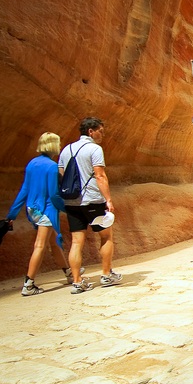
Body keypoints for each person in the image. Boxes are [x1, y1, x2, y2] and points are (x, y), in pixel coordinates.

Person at [58, 117, 122, 293]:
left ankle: (77, 282)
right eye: (100, 131)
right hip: (92, 199)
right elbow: (100, 175)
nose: (102, 134)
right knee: (106, 236)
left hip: (72, 201)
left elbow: (61, 175)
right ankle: (106, 274)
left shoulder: (66, 149)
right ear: (90, 131)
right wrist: (108, 199)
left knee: (76, 242)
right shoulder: (94, 149)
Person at [6, 132, 70, 296]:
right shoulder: (51, 167)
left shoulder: (32, 163)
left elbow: (24, 190)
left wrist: (12, 214)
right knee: (40, 246)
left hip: (32, 209)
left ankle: (69, 273)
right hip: (46, 210)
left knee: (53, 243)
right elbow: (54, 195)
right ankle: (29, 284)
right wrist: (67, 209)